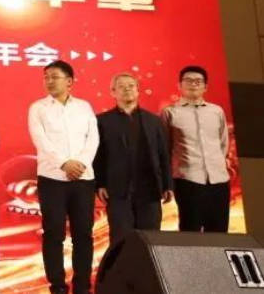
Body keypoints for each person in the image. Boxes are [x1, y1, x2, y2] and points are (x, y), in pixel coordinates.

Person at [28, 60, 98, 294]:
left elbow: (93, 139)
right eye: (46, 77)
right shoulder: (38, 108)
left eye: (54, 77)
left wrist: (81, 163)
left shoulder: (84, 107)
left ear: (69, 81)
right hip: (52, 179)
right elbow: (40, 140)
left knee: (83, 234)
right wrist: (64, 163)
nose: (49, 81)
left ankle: (82, 285)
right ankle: (57, 286)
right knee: (53, 234)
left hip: (83, 178)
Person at [93, 72, 173, 246]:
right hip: (117, 190)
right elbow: (98, 156)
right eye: (121, 86)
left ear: (138, 90)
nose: (127, 89)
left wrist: (167, 185)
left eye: (131, 86)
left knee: (151, 239)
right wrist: (100, 184)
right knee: (121, 238)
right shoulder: (101, 121)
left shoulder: (154, 121)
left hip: (150, 189)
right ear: (113, 92)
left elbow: (163, 154)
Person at [162, 65, 231, 233]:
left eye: (198, 81)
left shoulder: (216, 111)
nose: (193, 84)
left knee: (219, 231)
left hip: (219, 180)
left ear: (205, 87)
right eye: (188, 80)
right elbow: (165, 148)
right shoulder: (170, 112)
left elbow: (223, 143)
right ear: (179, 85)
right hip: (187, 180)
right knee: (190, 231)